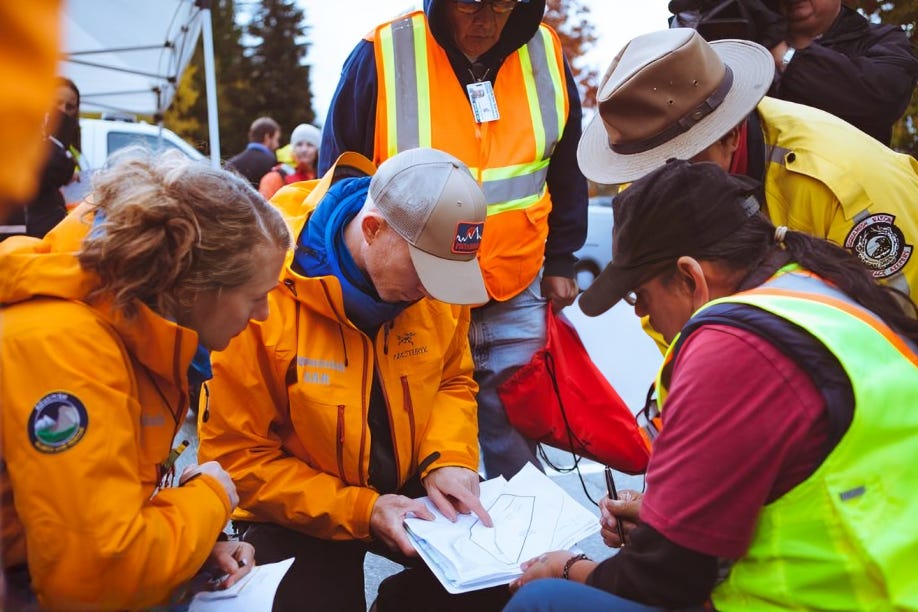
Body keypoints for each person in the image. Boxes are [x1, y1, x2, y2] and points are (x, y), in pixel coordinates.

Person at [503, 159, 918, 610]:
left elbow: (663, 579)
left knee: (543, 600)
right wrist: (672, 517)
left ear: (689, 277)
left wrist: (568, 567)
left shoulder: (732, 345)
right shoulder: (815, 293)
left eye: (640, 295)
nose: (641, 314)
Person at [198, 147, 513, 612]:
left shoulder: (436, 276)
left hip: (411, 484)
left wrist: (449, 459)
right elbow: (237, 460)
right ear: (372, 230)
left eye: (448, 273)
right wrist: (361, 510)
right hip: (297, 509)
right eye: (425, 270)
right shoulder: (260, 291)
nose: (432, 289)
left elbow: (452, 380)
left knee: (500, 578)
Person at [0, 150, 292, 608]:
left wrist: (193, 549)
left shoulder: (131, 333)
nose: (263, 316)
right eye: (255, 297)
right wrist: (211, 496)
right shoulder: (66, 348)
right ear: (193, 289)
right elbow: (96, 578)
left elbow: (105, 516)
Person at [320, 0, 589, 480]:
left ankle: (523, 543)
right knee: (419, 433)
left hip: (514, 281)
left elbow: (567, 164)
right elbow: (338, 176)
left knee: (515, 444)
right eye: (469, 4)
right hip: (418, 288)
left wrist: (563, 260)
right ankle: (427, 547)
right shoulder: (383, 51)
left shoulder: (546, 51)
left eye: (503, 4)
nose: (484, 20)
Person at [578, 27, 918, 303]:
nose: (666, 180)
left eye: (683, 157)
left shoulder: (850, 184)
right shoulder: (645, 186)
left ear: (731, 135)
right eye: (644, 166)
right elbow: (664, 312)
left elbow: (897, 337)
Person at [668, 0, 918, 145]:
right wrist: (696, 24)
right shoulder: (745, 40)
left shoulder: (882, 40)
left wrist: (782, 53)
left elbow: (879, 97)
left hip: (850, 203)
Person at [258, 122, 321, 199]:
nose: (304, 149)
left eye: (310, 145)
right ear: (292, 148)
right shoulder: (275, 177)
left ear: (317, 150)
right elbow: (264, 207)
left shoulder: (323, 175)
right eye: (299, 144)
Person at [225, 116, 281, 189]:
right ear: (267, 137)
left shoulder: (231, 163)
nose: (277, 145)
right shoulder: (272, 162)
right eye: (276, 139)